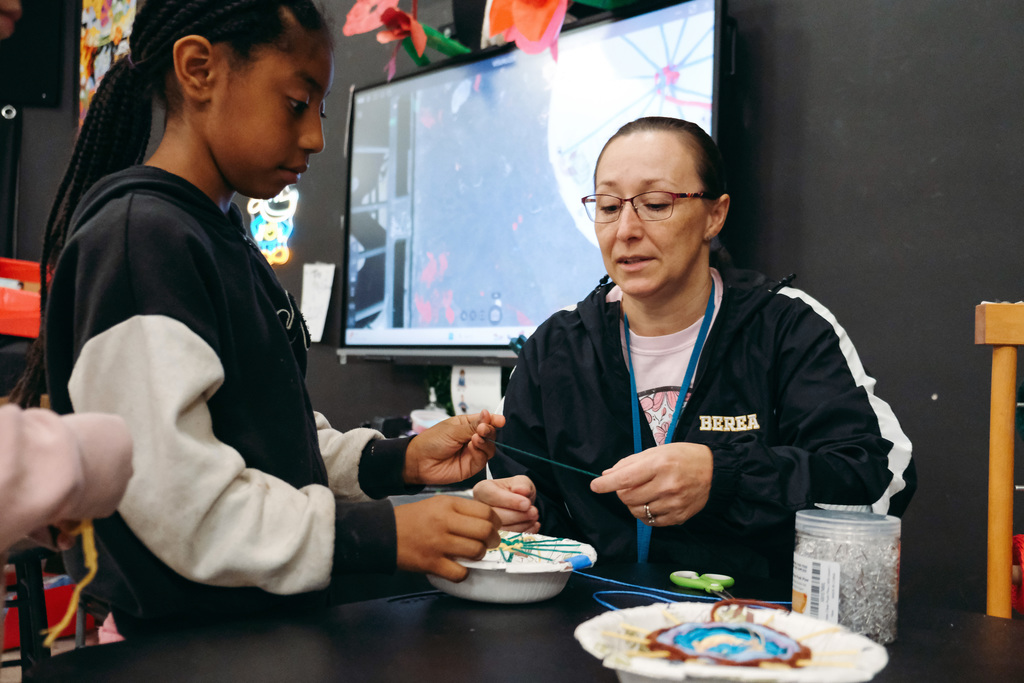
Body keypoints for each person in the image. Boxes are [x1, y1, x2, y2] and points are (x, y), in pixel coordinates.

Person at [9, 0, 502, 637]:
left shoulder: (219, 234)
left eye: (320, 110)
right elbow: (180, 501)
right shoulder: (142, 243)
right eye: (296, 103)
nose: (315, 137)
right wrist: (381, 533)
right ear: (199, 70)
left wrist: (394, 462)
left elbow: (263, 443)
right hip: (186, 650)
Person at [475, 116, 916, 581]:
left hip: (752, 617)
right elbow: (518, 497)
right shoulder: (557, 346)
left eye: (655, 204)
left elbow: (878, 480)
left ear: (715, 215)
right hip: (591, 614)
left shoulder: (786, 327)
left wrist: (725, 475)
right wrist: (517, 518)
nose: (625, 229)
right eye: (608, 206)